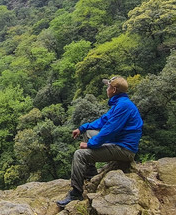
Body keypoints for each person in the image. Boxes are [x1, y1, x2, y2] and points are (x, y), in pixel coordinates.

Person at [56, 76, 143, 208]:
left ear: (113, 89)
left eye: (108, 87)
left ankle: (76, 193)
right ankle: (90, 171)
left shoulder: (123, 106)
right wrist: (82, 128)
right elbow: (103, 121)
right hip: (119, 142)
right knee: (88, 132)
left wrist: (90, 145)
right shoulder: (120, 103)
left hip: (124, 150)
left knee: (79, 154)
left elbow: (109, 130)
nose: (106, 89)